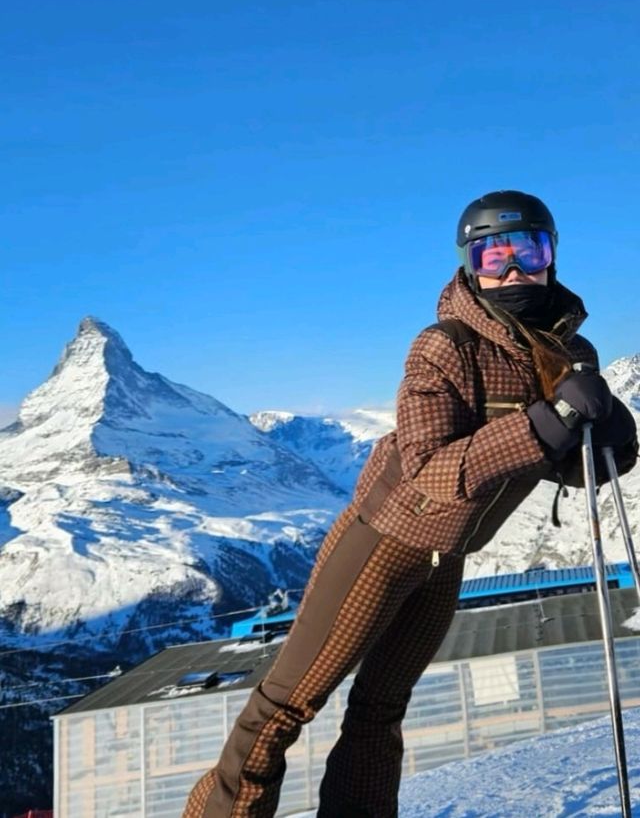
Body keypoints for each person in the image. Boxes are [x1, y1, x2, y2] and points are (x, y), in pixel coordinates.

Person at [181, 190, 637, 818]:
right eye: (491, 255)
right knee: (285, 705)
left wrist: (612, 434)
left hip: (447, 556)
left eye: (525, 251)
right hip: (380, 543)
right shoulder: (443, 347)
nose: (510, 271)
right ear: (469, 265)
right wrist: (544, 423)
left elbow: (571, 458)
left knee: (381, 708)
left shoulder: (567, 354)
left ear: (551, 256)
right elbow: (428, 470)